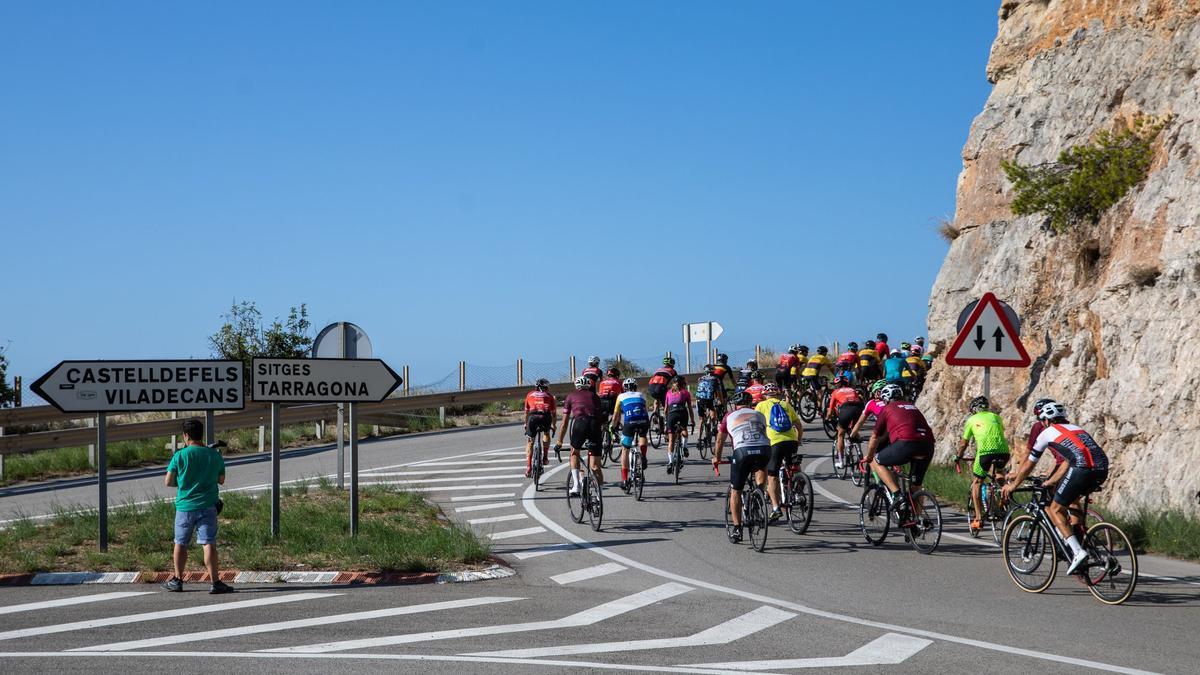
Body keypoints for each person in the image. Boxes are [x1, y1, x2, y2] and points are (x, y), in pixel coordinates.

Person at [1002, 402, 1109, 574]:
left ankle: (1078, 552)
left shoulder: (1046, 433)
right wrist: (1051, 481)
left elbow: (1030, 463)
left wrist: (1014, 485)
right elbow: (1068, 460)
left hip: (1081, 469)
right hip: (1102, 468)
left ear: (1045, 420)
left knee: (1055, 508)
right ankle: (1084, 542)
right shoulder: (1076, 428)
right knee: (1072, 500)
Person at [163, 418, 232, 594]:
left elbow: (168, 481)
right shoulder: (214, 455)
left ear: (186, 435)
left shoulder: (180, 455)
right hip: (208, 505)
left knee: (181, 543)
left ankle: (178, 580)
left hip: (185, 506)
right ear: (201, 434)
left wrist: (184, 481)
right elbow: (221, 480)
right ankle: (215, 582)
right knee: (208, 543)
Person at [863, 384, 935, 521]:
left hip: (906, 443)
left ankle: (897, 495)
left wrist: (869, 456)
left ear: (885, 399)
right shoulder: (913, 406)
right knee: (916, 485)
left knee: (876, 460)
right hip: (928, 445)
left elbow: (874, 437)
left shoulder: (887, 409)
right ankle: (917, 521)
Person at [712, 391, 770, 544]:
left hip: (742, 452)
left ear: (736, 405)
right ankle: (759, 495)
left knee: (736, 490)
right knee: (760, 468)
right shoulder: (759, 414)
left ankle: (737, 529)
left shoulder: (728, 416)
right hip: (764, 449)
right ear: (750, 404)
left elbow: (719, 440)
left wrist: (716, 458)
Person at [954, 396, 1010, 534]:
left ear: (973, 410)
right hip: (1003, 452)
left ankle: (978, 518)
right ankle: (1005, 495)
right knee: (998, 473)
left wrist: (958, 456)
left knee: (977, 482)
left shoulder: (971, 420)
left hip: (985, 453)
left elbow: (964, 443)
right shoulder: (996, 417)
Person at [755, 382, 802, 521]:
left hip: (774, 442)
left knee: (772, 475)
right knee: (793, 466)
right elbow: (798, 425)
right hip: (791, 440)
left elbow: (756, 425)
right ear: (778, 393)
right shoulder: (786, 404)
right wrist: (798, 440)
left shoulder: (761, 405)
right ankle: (799, 491)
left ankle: (776, 508)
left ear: (764, 395)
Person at [554, 376, 604, 494]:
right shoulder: (595, 396)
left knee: (574, 453)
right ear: (589, 386)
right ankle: (599, 495)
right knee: (595, 465)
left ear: (576, 386)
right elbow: (600, 417)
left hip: (580, 423)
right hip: (594, 425)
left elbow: (564, 423)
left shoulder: (570, 396)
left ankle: (576, 485)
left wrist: (559, 442)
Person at [612, 378, 650, 491]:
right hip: (643, 420)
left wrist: (613, 427)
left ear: (624, 388)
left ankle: (624, 480)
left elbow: (615, 415)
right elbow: (645, 410)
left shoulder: (620, 396)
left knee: (625, 449)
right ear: (635, 387)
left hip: (630, 422)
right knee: (643, 436)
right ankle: (643, 455)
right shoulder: (641, 395)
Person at [826, 375, 864, 470]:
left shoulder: (835, 392)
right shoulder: (852, 389)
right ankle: (860, 455)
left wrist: (827, 418)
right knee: (853, 431)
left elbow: (830, 411)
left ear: (838, 385)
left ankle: (841, 462)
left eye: (835, 384)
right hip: (859, 408)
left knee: (840, 434)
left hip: (846, 408)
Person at [523, 378, 557, 477]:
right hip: (545, 417)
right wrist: (553, 426)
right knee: (546, 433)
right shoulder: (550, 396)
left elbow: (526, 412)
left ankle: (529, 467)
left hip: (532, 418)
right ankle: (545, 458)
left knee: (530, 441)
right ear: (546, 387)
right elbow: (554, 414)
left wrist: (525, 424)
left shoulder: (529, 394)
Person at [664, 375, 694, 473]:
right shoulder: (686, 393)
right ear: (683, 384)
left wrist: (666, 421)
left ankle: (670, 462)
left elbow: (665, 410)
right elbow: (689, 408)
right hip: (682, 413)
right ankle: (684, 447)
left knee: (671, 440)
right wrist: (693, 421)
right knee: (684, 430)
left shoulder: (668, 393)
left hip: (671, 415)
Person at [694, 364, 725, 430]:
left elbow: (699, 389)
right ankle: (714, 427)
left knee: (701, 419)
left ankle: (700, 438)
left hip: (699, 399)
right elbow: (719, 391)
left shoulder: (700, 378)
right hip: (709, 399)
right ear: (713, 371)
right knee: (712, 411)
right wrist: (721, 401)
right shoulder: (716, 378)